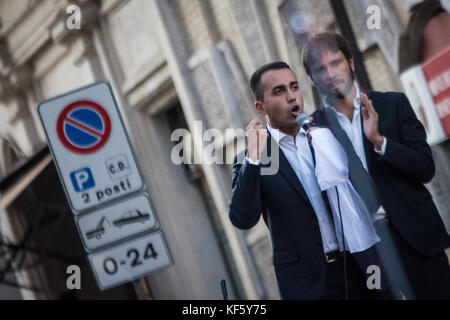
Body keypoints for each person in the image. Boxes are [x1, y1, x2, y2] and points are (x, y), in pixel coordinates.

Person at [303, 32, 450, 299]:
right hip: (365, 252)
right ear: (311, 77)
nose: (331, 73)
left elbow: (425, 168)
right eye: (320, 69)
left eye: (335, 63)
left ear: (350, 62)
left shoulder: (392, 103)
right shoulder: (313, 129)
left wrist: (380, 142)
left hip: (415, 237)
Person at [229, 61, 384, 299]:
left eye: (294, 87)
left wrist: (332, 153)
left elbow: (370, 197)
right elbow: (242, 218)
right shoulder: (254, 157)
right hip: (307, 284)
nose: (292, 97)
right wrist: (253, 157)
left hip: (359, 266)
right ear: (261, 107)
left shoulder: (327, 134)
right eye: (279, 91)